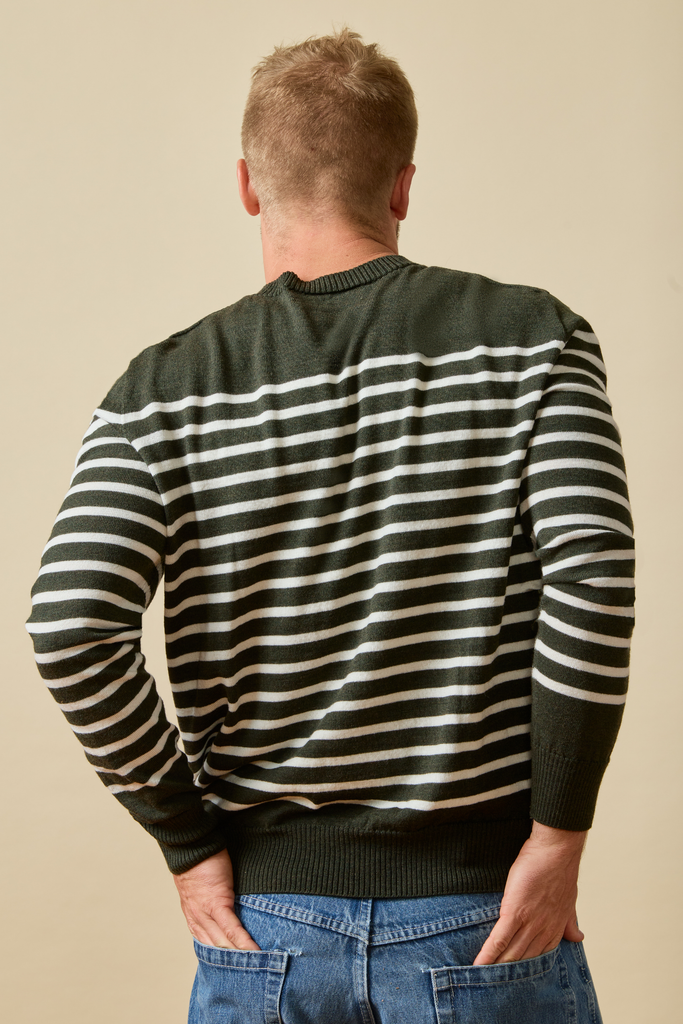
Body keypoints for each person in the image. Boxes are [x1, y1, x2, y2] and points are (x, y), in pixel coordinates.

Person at [27, 28, 634, 1024]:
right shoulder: (532, 338)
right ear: (400, 183)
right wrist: (558, 835)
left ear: (246, 183)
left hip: (264, 931)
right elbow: (593, 572)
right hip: (484, 918)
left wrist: (187, 842)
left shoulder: (161, 388)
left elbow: (67, 623)